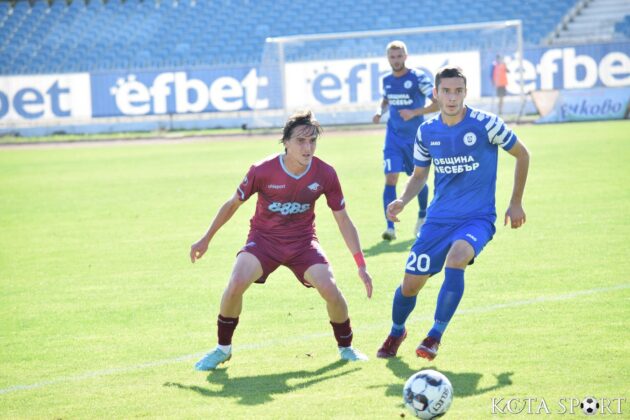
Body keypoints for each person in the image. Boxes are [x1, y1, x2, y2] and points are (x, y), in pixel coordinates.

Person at [191, 110, 374, 370]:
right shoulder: (262, 170)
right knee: (236, 282)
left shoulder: (325, 174)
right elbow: (233, 204)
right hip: (264, 241)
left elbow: (343, 219)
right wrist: (205, 238)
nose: (307, 147)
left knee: (330, 289)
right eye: (300, 141)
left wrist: (361, 265)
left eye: (312, 141)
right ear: (286, 142)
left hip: (303, 243)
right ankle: (223, 349)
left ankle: (346, 348)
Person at [376, 67, 529, 360]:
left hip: (477, 218)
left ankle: (434, 336)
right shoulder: (426, 131)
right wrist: (403, 200)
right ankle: (397, 331)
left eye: (458, 91)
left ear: (465, 93)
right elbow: (420, 175)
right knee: (410, 286)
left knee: (457, 258)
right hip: (437, 220)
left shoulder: (486, 124)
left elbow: (522, 154)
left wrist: (516, 202)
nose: (452, 97)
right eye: (446, 91)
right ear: (436, 93)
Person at [373, 40, 439, 241]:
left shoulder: (418, 77)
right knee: (391, 177)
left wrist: (414, 112)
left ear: (406, 56)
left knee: (416, 177)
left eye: (399, 56)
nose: (396, 60)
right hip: (393, 137)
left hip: (414, 139)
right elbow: (386, 100)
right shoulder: (387, 80)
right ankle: (390, 227)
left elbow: (437, 103)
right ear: (388, 58)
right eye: (392, 57)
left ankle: (422, 216)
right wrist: (379, 111)